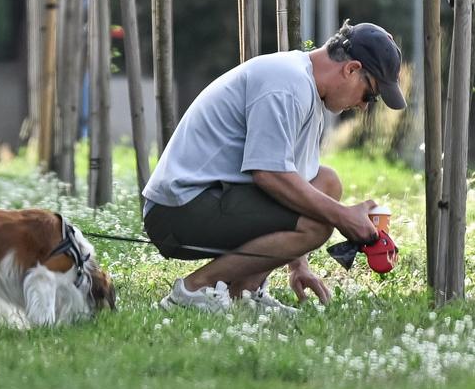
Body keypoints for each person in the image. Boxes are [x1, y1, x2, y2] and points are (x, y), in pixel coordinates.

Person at [142, 20, 406, 313]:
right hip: (177, 211)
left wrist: (297, 264)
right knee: (320, 224)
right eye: (370, 94)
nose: (364, 106)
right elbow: (268, 175)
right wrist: (344, 218)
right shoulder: (287, 84)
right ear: (351, 69)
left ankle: (244, 292)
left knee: (327, 182)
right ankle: (193, 291)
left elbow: (297, 184)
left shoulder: (306, 88)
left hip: (210, 199)